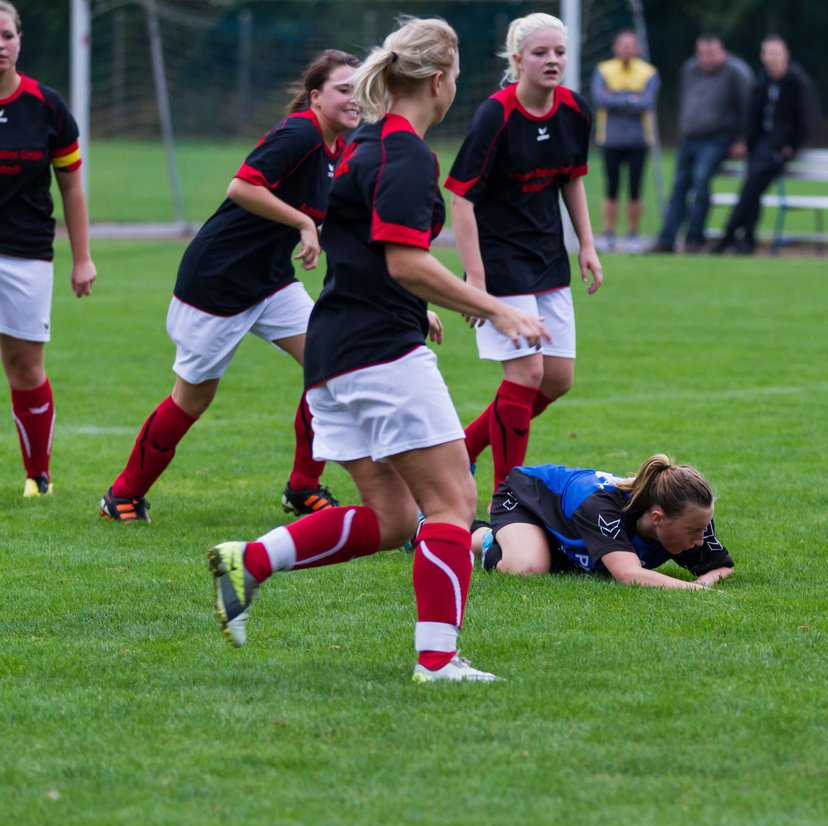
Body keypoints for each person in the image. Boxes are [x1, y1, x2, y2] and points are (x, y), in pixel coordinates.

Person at [205, 17, 549, 683]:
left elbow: (365, 251)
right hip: (378, 354)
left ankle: (250, 560)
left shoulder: (369, 144)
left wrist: (419, 307)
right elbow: (404, 262)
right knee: (453, 501)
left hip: (338, 355)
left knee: (394, 518)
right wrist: (496, 309)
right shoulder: (406, 154)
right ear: (439, 80)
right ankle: (438, 660)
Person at [99, 50, 361, 523]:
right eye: (344, 88)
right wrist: (303, 222)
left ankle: (303, 487)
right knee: (193, 397)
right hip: (217, 282)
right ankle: (122, 495)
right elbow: (241, 186)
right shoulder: (301, 131)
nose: (354, 96)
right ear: (316, 96)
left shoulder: (337, 149)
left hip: (270, 281)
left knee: (331, 362)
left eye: (359, 87)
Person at [445, 13, 602, 498]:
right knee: (527, 372)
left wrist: (588, 246)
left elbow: (572, 180)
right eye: (540, 53)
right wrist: (474, 279)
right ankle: (506, 497)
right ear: (517, 61)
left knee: (556, 379)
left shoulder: (575, 110)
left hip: (548, 259)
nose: (552, 60)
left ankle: (462, 452)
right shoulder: (496, 114)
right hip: (500, 264)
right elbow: (461, 198)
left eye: (558, 52)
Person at [0, 0, 96, 498]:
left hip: (25, 254)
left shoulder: (46, 106)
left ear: (20, 40)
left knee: (24, 364)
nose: (0, 45)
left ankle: (38, 475)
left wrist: (82, 258)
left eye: (7, 35)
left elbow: (72, 187)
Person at [471, 454, 734, 589]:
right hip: (527, 500)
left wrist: (702, 583)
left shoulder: (690, 517)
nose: (701, 539)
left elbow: (722, 568)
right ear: (657, 518)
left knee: (565, 565)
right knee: (527, 567)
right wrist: (693, 591)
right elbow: (628, 574)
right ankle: (480, 535)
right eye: (694, 531)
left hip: (569, 530)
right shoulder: (602, 509)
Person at [712, 35, 817, 256]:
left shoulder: (797, 82)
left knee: (750, 191)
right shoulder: (763, 81)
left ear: (785, 55)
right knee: (753, 193)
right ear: (762, 56)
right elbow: (752, 115)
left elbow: (807, 118)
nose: (772, 58)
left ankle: (727, 237)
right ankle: (747, 241)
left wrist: (792, 144)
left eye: (776, 53)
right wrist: (746, 141)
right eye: (768, 53)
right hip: (759, 145)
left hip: (778, 148)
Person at [654, 34, 752, 254]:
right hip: (689, 138)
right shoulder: (690, 69)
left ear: (722, 51)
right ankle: (667, 239)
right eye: (702, 54)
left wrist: (741, 139)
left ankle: (694, 239)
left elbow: (747, 109)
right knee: (679, 188)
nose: (707, 59)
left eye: (712, 53)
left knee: (701, 184)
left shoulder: (736, 72)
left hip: (717, 139)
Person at [591, 28, 658, 252]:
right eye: (623, 44)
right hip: (610, 139)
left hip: (639, 140)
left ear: (637, 48)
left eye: (631, 45)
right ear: (615, 47)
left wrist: (616, 97)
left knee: (635, 189)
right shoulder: (604, 70)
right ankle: (608, 233)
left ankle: (633, 234)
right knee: (611, 188)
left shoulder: (648, 72)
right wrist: (631, 98)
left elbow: (646, 103)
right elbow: (600, 99)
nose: (627, 49)